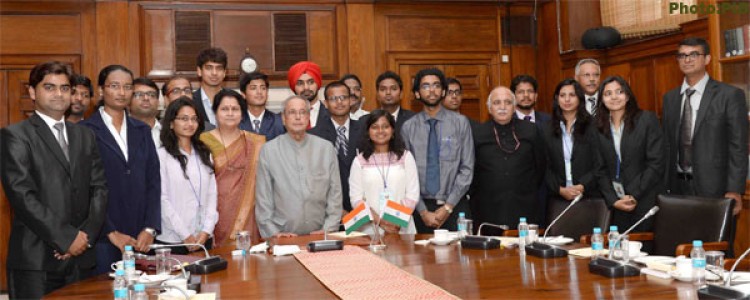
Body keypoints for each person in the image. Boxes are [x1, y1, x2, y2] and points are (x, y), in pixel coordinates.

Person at [1, 61, 107, 299]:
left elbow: (99, 188)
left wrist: (84, 239)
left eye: (64, 88)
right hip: (37, 261)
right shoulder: (15, 136)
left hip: (82, 259)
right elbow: (22, 196)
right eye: (49, 87)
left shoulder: (85, 135)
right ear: (32, 92)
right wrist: (66, 238)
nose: (58, 94)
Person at [80, 65, 160, 274]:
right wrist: (110, 231)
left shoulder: (142, 130)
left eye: (127, 87)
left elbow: (153, 181)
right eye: (115, 86)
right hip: (103, 236)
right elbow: (83, 188)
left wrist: (150, 228)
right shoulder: (85, 131)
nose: (122, 92)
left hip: (141, 237)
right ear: (100, 90)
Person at [662, 37, 747, 216]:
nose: (687, 59)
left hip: (716, 189)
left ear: (707, 59)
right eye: (682, 55)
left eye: (694, 54)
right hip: (677, 188)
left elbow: (738, 147)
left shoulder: (729, 95)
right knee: (680, 241)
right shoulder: (670, 99)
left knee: (714, 243)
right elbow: (667, 145)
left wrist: (734, 189)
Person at [255, 95, 343, 238]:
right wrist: (274, 234)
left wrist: (329, 229)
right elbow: (263, 199)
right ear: (283, 118)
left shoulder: (325, 149)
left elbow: (335, 195)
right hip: (283, 237)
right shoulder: (269, 151)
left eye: (302, 112)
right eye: (292, 112)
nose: (298, 117)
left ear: (308, 117)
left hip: (320, 234)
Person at [401, 68, 474, 233]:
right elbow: (406, 173)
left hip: (455, 206)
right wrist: (422, 211)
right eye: (425, 86)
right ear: (417, 93)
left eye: (436, 85)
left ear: (443, 92)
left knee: (460, 257)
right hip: (420, 209)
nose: (432, 90)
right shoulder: (408, 127)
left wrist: (448, 207)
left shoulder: (460, 123)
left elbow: (467, 168)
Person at [470, 86, 546, 233]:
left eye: (507, 102)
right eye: (497, 103)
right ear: (489, 108)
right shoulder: (477, 132)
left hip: (525, 205)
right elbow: (472, 169)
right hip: (488, 207)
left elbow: (540, 165)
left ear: (514, 106)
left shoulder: (531, 130)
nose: (502, 107)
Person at [594, 76, 664, 232]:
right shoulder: (598, 127)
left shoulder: (646, 120)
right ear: (602, 100)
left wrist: (633, 194)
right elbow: (599, 169)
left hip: (644, 199)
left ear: (627, 95)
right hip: (616, 204)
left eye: (619, 91)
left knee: (644, 251)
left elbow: (656, 163)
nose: (614, 97)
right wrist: (613, 199)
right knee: (618, 251)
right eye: (608, 93)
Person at [200, 90, 265, 246]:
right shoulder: (203, 141)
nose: (230, 113)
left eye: (235, 109)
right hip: (214, 213)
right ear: (215, 113)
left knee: (249, 265)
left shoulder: (256, 142)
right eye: (224, 109)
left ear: (242, 114)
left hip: (248, 214)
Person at [157, 98, 218, 254]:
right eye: (183, 119)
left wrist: (206, 231)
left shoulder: (205, 153)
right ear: (171, 123)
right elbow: (162, 200)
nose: (190, 124)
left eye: (193, 119)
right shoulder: (161, 156)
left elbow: (212, 196)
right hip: (173, 240)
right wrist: (185, 235)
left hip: (203, 238)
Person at [349, 110, 419, 235]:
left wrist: (394, 221)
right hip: (370, 228)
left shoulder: (405, 157)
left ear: (392, 131)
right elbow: (356, 199)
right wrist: (380, 221)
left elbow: (412, 195)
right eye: (375, 127)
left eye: (385, 126)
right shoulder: (359, 161)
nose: (380, 131)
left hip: (401, 227)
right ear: (368, 132)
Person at [542, 79, 600, 204]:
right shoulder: (546, 129)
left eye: (572, 95)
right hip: (557, 197)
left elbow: (600, 163)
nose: (567, 100)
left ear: (580, 98)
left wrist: (583, 186)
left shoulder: (594, 126)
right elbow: (543, 165)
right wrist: (559, 189)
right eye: (562, 95)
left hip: (589, 195)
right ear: (557, 99)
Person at [309, 81, 364, 213]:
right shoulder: (314, 135)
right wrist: (336, 209)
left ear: (351, 100)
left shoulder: (365, 131)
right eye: (333, 99)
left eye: (343, 97)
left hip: (363, 205)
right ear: (326, 104)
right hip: (328, 209)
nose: (339, 102)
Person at [239, 71, 285, 141]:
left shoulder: (279, 121)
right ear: (243, 94)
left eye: (263, 88)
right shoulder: (236, 122)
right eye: (253, 88)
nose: (259, 92)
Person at [193, 47, 228, 129]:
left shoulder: (235, 100)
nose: (214, 73)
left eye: (219, 68)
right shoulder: (190, 101)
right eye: (209, 68)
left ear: (224, 73)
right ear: (199, 71)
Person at [288, 61, 327, 128]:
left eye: (311, 82)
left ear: (318, 84)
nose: (306, 87)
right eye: (300, 83)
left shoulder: (333, 114)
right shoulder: (284, 117)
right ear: (293, 87)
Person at [130, 77, 162, 146]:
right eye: (139, 94)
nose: (146, 98)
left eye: (151, 95)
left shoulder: (168, 131)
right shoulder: (120, 131)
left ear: (158, 102)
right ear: (129, 101)